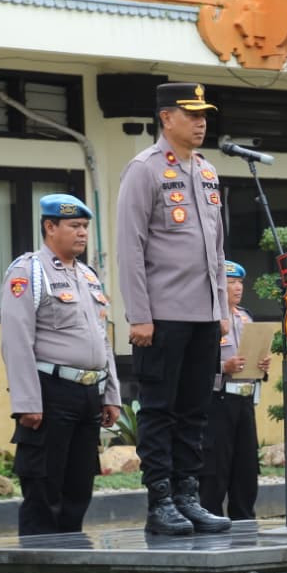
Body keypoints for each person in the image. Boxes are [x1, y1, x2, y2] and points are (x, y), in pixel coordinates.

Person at [116, 82, 231, 536]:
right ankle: (160, 501)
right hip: (162, 315)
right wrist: (139, 315)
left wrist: (222, 309)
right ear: (166, 118)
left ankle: (188, 497)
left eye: (204, 115)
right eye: (192, 115)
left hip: (204, 316)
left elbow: (217, 250)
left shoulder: (206, 170)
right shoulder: (144, 170)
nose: (201, 123)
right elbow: (130, 247)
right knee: (159, 410)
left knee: (194, 411)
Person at [1, 193, 121, 536]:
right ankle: (40, 560)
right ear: (50, 227)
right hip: (50, 392)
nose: (82, 233)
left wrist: (111, 394)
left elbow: (102, 338)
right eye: (74, 226)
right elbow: (16, 340)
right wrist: (27, 401)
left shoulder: (88, 276)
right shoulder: (29, 271)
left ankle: (72, 556)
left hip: (89, 394)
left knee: (79, 486)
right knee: (44, 486)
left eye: (84, 226)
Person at [199, 261, 272, 520]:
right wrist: (223, 367)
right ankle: (211, 520)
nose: (238, 287)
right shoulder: (206, 319)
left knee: (246, 467)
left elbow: (254, 358)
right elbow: (194, 364)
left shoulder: (245, 316)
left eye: (240, 282)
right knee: (215, 468)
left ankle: (245, 521)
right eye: (231, 283)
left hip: (245, 399)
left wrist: (262, 367)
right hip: (217, 400)